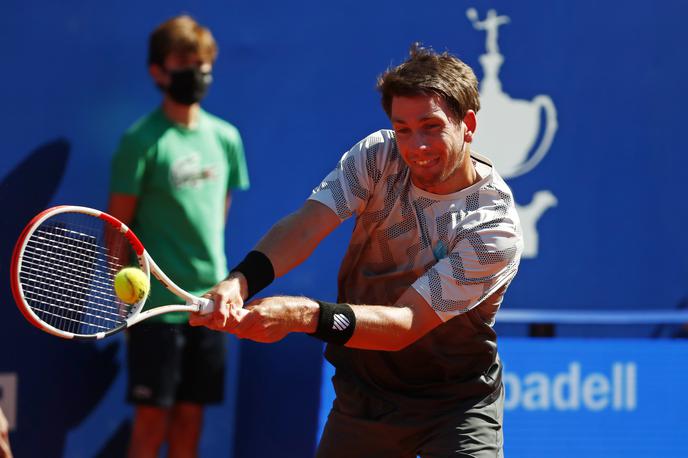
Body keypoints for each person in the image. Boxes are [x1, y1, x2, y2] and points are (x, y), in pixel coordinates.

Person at [192, 44, 522, 457]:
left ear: (467, 124)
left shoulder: (493, 226)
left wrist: (301, 316)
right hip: (364, 397)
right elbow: (306, 225)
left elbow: (405, 324)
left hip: (456, 404)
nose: (416, 145)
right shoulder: (378, 156)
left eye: (431, 126)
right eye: (403, 128)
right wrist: (241, 281)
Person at [108, 15, 250, 458]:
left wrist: (216, 287)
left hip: (210, 302)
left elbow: (218, 212)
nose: (197, 71)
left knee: (191, 421)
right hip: (155, 309)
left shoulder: (226, 138)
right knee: (151, 425)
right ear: (158, 70)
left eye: (203, 62)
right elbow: (118, 229)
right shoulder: (141, 141)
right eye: (185, 61)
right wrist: (125, 303)